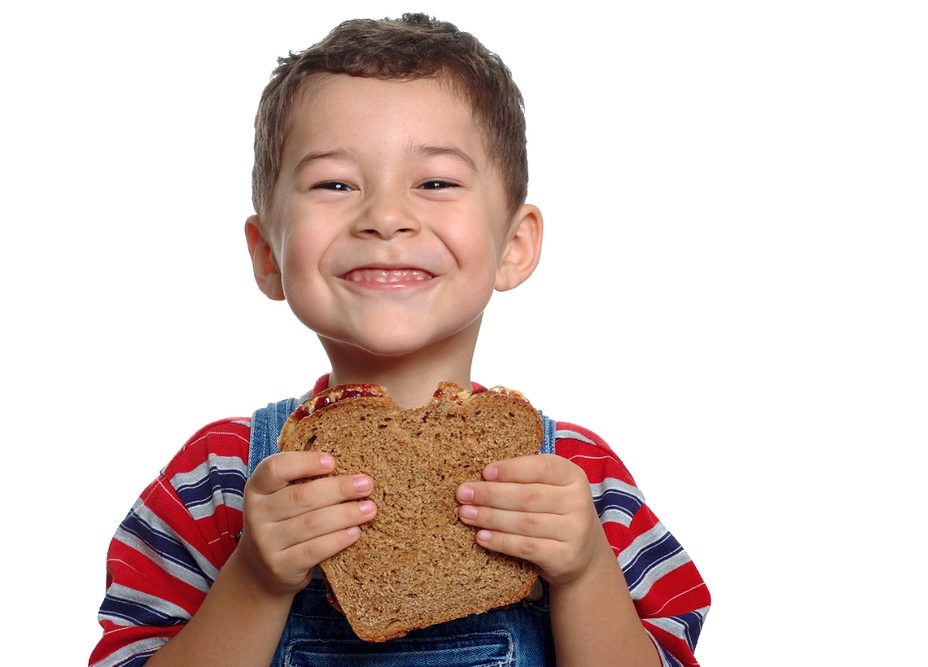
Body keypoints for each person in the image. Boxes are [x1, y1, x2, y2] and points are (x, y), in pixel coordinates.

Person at [90, 13, 710, 667]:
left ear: (515, 244)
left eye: (435, 183)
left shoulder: (581, 482)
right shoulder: (213, 479)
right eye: (334, 183)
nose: (385, 216)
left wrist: (583, 573)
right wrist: (254, 580)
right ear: (267, 253)